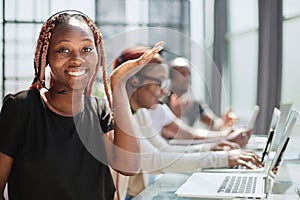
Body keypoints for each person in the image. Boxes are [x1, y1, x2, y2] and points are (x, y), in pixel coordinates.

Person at [0, 10, 164, 200]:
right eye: (63, 49)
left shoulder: (98, 110)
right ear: (46, 56)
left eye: (86, 49)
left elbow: (129, 166)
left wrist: (118, 85)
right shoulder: (22, 108)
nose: (77, 59)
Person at [112, 46, 262, 199]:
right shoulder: (115, 115)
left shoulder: (141, 112)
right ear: (134, 81)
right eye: (159, 83)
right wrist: (223, 157)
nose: (164, 91)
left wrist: (213, 148)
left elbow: (164, 149)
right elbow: (154, 160)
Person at [165, 56, 238, 130]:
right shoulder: (161, 102)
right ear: (171, 77)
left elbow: (213, 124)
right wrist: (176, 115)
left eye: (189, 74)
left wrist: (224, 123)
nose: (188, 78)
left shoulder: (194, 103)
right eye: (183, 73)